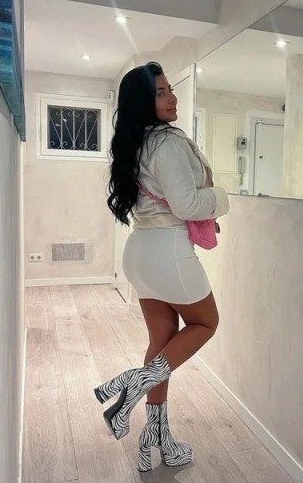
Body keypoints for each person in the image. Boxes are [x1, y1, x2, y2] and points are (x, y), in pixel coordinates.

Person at [94, 62, 229, 472]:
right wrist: (222, 197)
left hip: (140, 252)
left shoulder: (136, 142)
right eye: (160, 92)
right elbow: (187, 204)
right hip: (169, 251)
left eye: (170, 89)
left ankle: (156, 439)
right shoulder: (167, 142)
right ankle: (131, 385)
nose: (172, 98)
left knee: (162, 344)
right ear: (143, 101)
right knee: (205, 323)